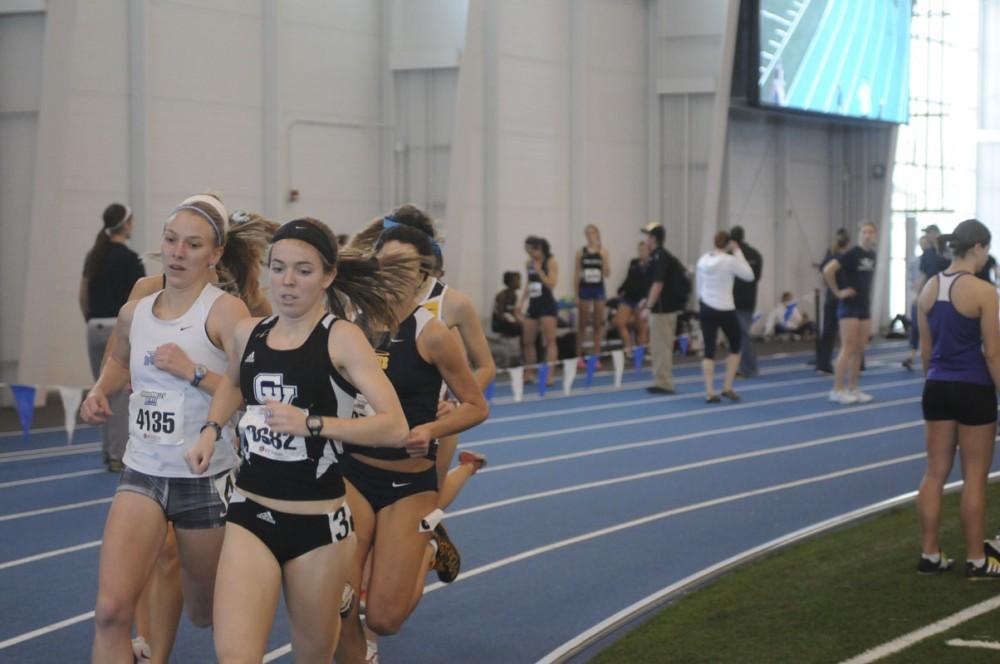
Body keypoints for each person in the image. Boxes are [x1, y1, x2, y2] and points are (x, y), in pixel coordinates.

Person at [186, 217, 413, 662]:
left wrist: (311, 425)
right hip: (250, 513)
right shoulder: (249, 332)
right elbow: (233, 382)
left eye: (303, 271)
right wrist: (210, 431)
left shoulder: (342, 339)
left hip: (318, 526)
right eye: (278, 267)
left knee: (312, 656)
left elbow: (395, 427)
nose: (287, 281)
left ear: (328, 275)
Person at [79, 194, 258, 663]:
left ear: (215, 254)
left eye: (193, 244)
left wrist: (192, 372)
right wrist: (101, 390)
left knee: (204, 612)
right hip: (143, 472)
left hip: (205, 479)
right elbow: (118, 358)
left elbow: (244, 388)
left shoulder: (226, 313)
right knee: (110, 612)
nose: (178, 252)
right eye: (171, 240)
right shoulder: (135, 310)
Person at [336, 224, 489, 664]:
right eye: (387, 264)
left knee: (384, 619)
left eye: (407, 267)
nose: (395, 274)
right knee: (340, 598)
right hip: (352, 474)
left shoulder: (433, 332)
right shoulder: (350, 323)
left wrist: (433, 429)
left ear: (425, 272)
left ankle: (425, 551)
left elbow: (476, 406)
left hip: (407, 483)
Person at [915, 219, 1000, 578]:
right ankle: (977, 560)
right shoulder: (984, 292)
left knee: (934, 473)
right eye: (987, 250)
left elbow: (925, 351)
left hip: (936, 387)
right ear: (978, 248)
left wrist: (934, 383)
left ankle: (930, 554)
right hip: (973, 388)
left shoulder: (928, 290)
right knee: (975, 476)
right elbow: (993, 354)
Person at [79, 203, 145, 471]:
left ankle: (108, 450)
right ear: (126, 224)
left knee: (100, 388)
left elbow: (82, 294)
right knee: (117, 394)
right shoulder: (131, 259)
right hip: (117, 328)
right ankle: (118, 454)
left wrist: (90, 319)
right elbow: (139, 300)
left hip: (93, 326)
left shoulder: (94, 255)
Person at [695, 231, 754, 403]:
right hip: (725, 308)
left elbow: (699, 286)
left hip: (706, 306)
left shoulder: (703, 259)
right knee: (735, 345)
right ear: (728, 244)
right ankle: (727, 386)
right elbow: (749, 276)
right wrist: (737, 251)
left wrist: (703, 301)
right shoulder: (730, 261)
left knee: (709, 350)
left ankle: (709, 391)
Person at [824, 222, 878, 404]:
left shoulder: (872, 255)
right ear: (859, 235)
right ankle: (837, 389)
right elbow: (828, 270)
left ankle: (853, 387)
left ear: (875, 235)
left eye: (870, 232)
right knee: (848, 347)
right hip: (849, 307)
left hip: (864, 306)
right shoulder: (851, 254)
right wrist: (837, 291)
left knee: (860, 349)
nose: (867, 235)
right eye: (864, 232)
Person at [641, 222, 689, 395]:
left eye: (647, 236)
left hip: (663, 309)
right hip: (661, 308)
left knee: (662, 345)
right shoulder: (657, 256)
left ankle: (665, 382)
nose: (645, 239)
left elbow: (658, 284)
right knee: (658, 345)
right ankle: (660, 379)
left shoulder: (661, 257)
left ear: (653, 238)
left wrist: (649, 306)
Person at [904, 226, 949, 370]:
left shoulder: (947, 253)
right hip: (928, 296)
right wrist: (917, 295)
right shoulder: (927, 254)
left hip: (945, 297)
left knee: (941, 330)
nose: (927, 237)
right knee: (921, 330)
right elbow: (922, 276)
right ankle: (924, 363)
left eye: (928, 233)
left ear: (935, 234)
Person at [517, 236, 559, 385]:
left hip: (547, 304)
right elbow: (529, 283)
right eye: (528, 250)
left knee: (550, 341)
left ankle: (549, 376)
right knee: (527, 340)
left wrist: (540, 271)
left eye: (534, 249)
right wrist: (521, 301)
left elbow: (551, 284)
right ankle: (529, 372)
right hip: (533, 305)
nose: (531, 253)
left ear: (541, 248)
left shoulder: (551, 262)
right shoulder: (528, 263)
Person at [815, 229, 851, 374]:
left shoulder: (829, 257)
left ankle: (823, 364)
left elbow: (823, 270)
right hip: (844, 297)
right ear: (847, 243)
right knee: (850, 334)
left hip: (831, 297)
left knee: (828, 332)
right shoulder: (847, 257)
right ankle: (857, 364)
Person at [574, 225, 611, 365]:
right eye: (587, 233)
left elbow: (607, 273)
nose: (590, 235)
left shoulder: (604, 251)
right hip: (585, 288)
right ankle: (578, 357)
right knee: (582, 324)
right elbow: (576, 273)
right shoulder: (580, 252)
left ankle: (596, 357)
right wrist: (576, 294)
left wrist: (603, 258)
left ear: (597, 234)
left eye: (593, 232)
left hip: (598, 288)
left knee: (598, 324)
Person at [729, 226, 763, 378]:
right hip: (749, 299)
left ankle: (748, 368)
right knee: (744, 334)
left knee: (742, 335)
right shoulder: (756, 254)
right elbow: (757, 278)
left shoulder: (731, 255)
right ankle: (750, 365)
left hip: (734, 299)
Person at [614, 241, 650, 357]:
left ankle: (640, 351)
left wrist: (647, 300)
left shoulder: (652, 265)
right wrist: (621, 289)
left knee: (641, 327)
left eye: (644, 250)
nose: (641, 253)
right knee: (619, 322)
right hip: (628, 297)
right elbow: (629, 279)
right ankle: (628, 347)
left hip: (641, 300)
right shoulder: (634, 263)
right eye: (640, 250)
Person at [492, 271, 523, 338]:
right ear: (510, 282)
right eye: (517, 280)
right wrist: (514, 322)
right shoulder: (502, 295)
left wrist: (519, 320)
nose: (519, 283)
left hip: (508, 321)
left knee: (528, 326)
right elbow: (500, 314)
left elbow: (512, 312)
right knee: (523, 328)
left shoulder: (514, 295)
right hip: (499, 323)